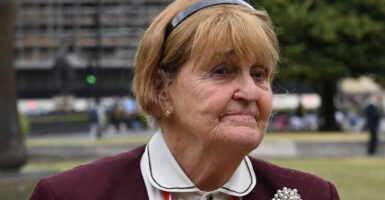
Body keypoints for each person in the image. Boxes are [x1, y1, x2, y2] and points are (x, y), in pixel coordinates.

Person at [29, 0, 340, 199]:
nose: (249, 92)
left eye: (259, 74)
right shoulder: (70, 195)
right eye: (222, 70)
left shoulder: (313, 195)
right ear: (162, 88)